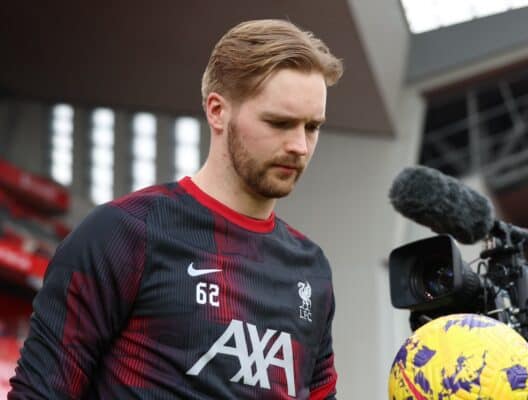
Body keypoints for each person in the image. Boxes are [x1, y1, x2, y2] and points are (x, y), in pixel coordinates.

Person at [9, 19, 343, 399]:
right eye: (280, 123)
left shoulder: (310, 269)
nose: (300, 145)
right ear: (217, 111)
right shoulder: (125, 234)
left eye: (312, 127)